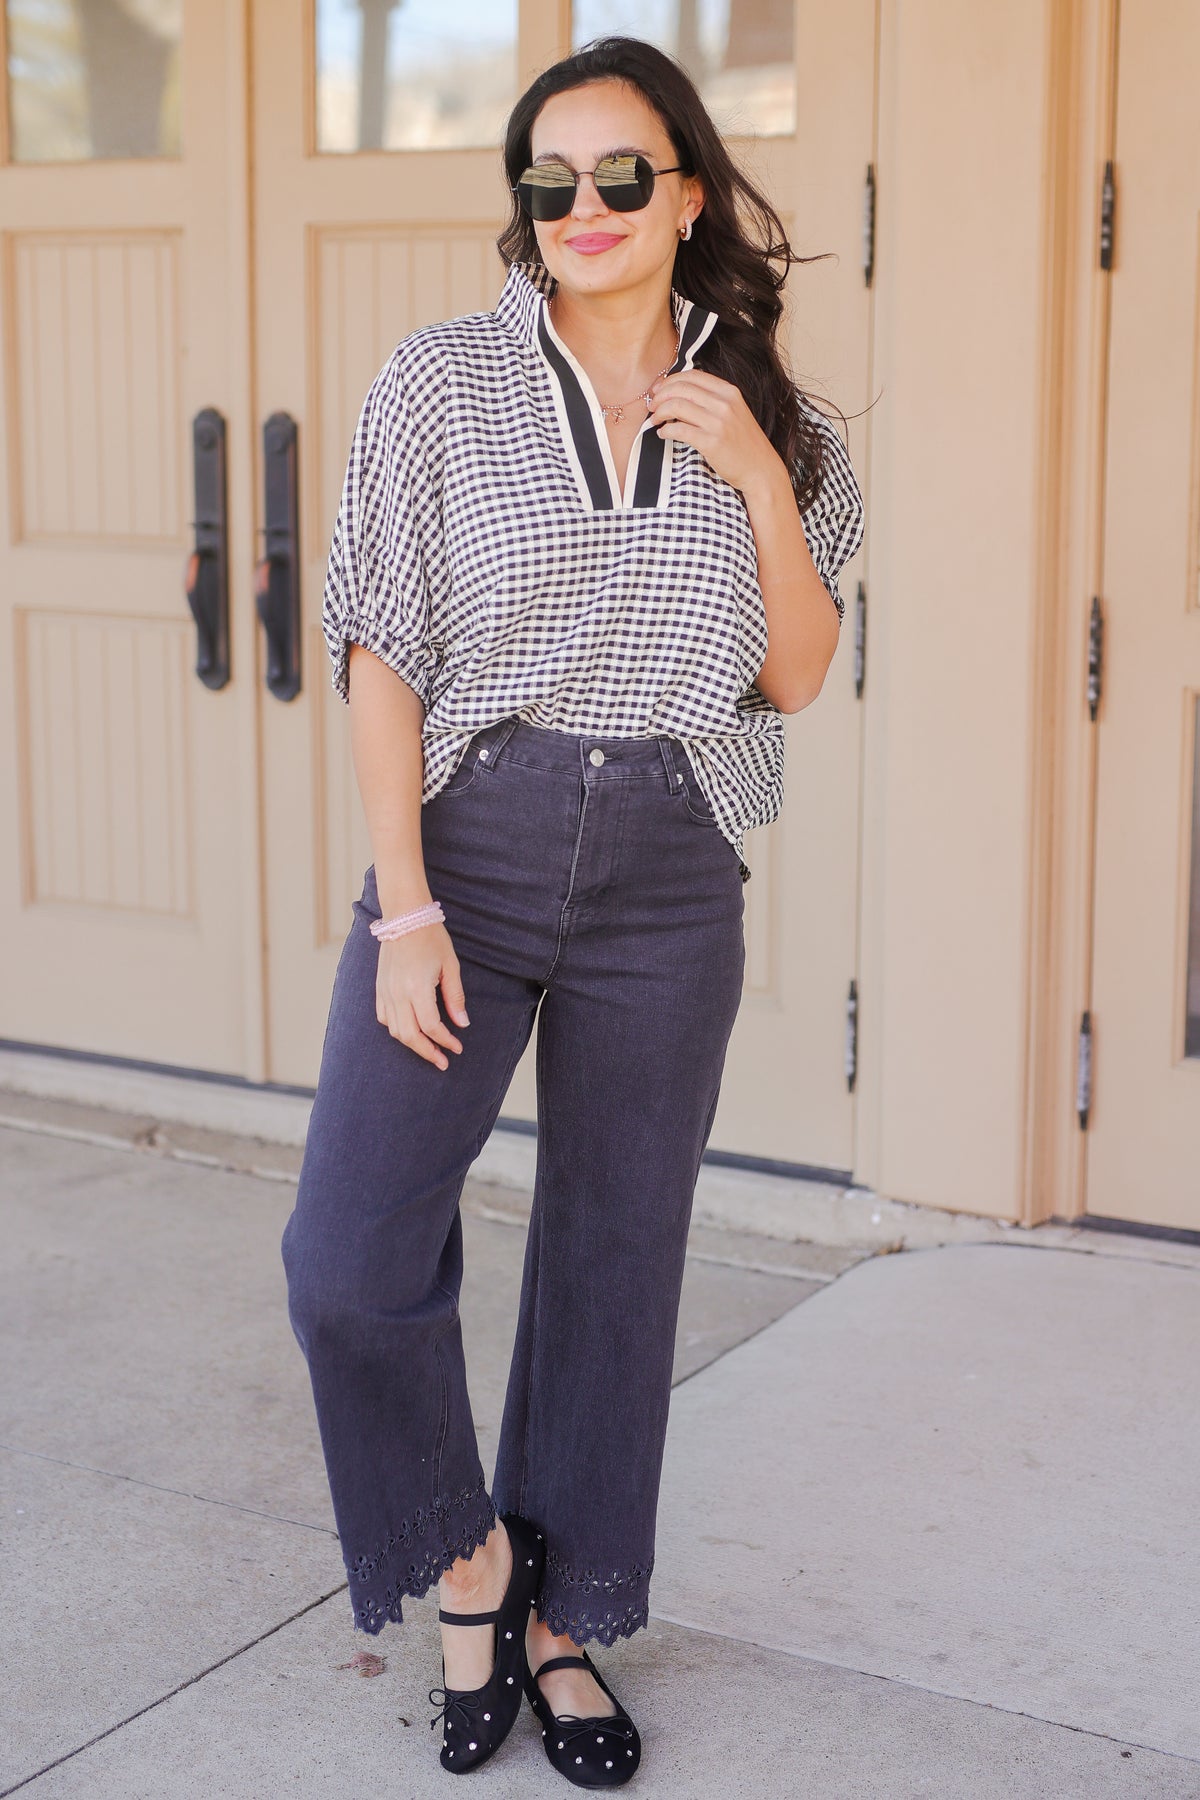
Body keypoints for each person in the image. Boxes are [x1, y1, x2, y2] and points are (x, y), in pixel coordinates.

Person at [281, 32, 865, 1789]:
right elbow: (380, 648)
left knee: (616, 1255)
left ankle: (563, 1619)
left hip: (672, 863)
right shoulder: (443, 382)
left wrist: (758, 476)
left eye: (623, 175)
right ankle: (470, 1563)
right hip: (471, 839)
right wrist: (406, 908)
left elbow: (797, 674)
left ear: (687, 196)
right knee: (349, 1260)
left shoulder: (776, 417)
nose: (585, 206)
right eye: (551, 179)